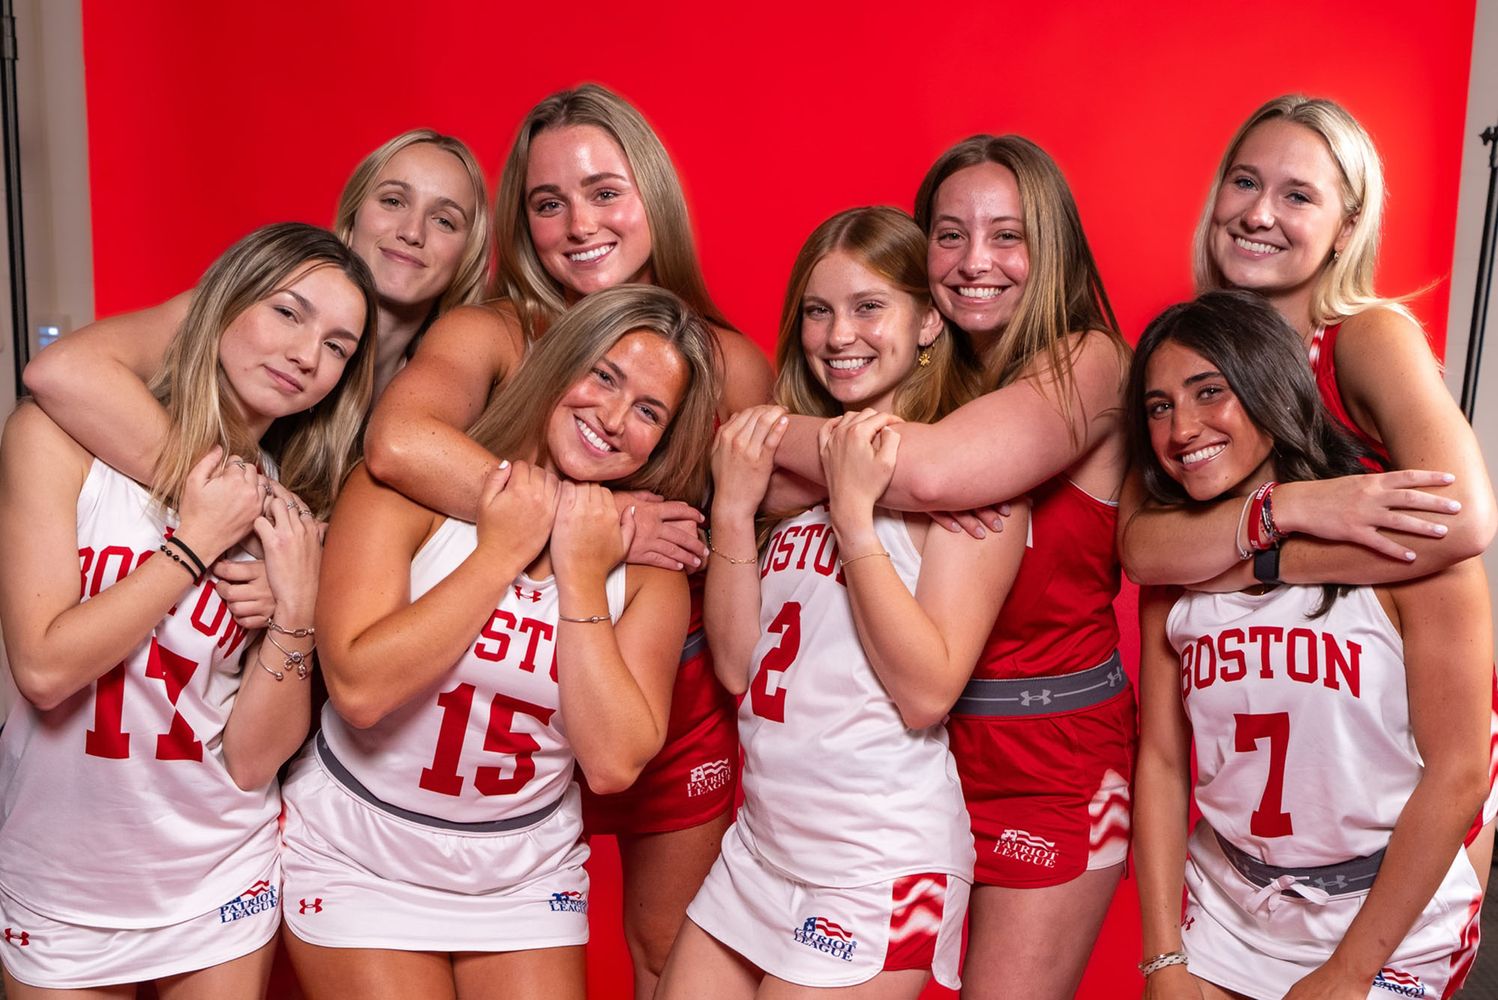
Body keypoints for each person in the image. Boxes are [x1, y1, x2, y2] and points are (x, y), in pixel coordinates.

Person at [363, 83, 773, 998]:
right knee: (492, 940)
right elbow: (398, 443)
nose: (577, 223)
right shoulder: (495, 330)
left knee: (671, 953)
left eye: (603, 191)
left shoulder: (725, 360)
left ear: (653, 197)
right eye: (548, 204)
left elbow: (772, 524)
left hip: (659, 690)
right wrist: (605, 524)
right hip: (485, 694)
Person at [761, 136, 1133, 999]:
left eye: (1008, 236)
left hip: (1055, 756)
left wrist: (750, 429)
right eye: (949, 234)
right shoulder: (929, 374)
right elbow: (796, 494)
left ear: (1053, 249)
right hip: (925, 747)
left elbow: (930, 473)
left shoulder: (1093, 360)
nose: (975, 263)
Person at [278, 284, 720, 1000]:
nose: (611, 418)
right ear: (558, 363)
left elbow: (612, 764)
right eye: (603, 376)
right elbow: (358, 689)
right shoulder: (402, 492)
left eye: (648, 412)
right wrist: (502, 550)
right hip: (361, 850)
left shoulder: (646, 571)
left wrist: (579, 573)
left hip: (523, 867)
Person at [1117, 94, 1498, 883]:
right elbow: (1144, 546)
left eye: (1298, 195)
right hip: (1289, 752)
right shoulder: (1186, 354)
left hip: (1410, 750)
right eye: (1244, 182)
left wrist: (1266, 559)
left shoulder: (1365, 339)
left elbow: (1463, 519)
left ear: (1347, 229)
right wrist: (1288, 508)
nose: (1260, 214)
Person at [656, 206, 1025, 998]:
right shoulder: (789, 478)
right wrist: (731, 510)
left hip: (875, 863)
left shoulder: (968, 491)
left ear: (929, 321)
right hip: (760, 846)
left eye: (868, 307)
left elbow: (927, 692)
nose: (837, 335)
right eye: (818, 311)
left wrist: (856, 519)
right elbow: (733, 663)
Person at [0, 222, 377, 997]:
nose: (309, 355)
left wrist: (297, 605)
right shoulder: (59, 441)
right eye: (288, 312)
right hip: (60, 877)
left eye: (338, 346)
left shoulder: (289, 513)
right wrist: (192, 547)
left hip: (217, 877)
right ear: (221, 301)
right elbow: (43, 669)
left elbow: (250, 761)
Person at [1131, 291, 1489, 1000]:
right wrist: (1162, 956)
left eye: (1210, 392)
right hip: (1232, 904)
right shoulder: (1176, 571)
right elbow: (1164, 761)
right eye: (1159, 406)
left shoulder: (1410, 558)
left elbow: (1458, 776)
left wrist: (1348, 974)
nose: (1182, 428)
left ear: (1270, 388)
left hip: (1384, 916)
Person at [20, 128, 492, 629]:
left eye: (444, 220)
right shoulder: (254, 306)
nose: (412, 231)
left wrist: (306, 584)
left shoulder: (454, 394)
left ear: (467, 253)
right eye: (394, 200)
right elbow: (62, 370)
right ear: (352, 218)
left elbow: (438, 561)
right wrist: (260, 516)